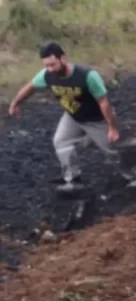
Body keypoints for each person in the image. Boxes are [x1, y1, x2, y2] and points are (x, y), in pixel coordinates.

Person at [8, 42, 122, 192]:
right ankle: (73, 180)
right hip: (73, 116)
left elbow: (104, 102)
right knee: (61, 141)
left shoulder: (86, 76)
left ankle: (129, 175)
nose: (50, 69)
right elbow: (31, 87)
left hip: (96, 118)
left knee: (112, 149)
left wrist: (112, 127)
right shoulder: (47, 75)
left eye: (53, 65)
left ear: (63, 58)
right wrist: (15, 103)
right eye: (46, 65)